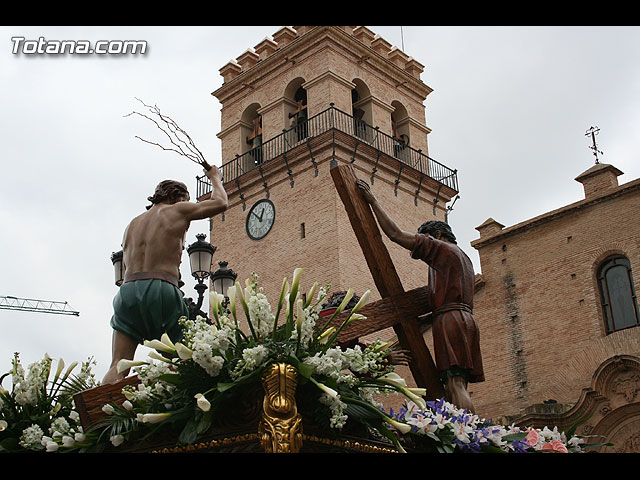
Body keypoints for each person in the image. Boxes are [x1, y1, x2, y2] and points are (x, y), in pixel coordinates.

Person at [357, 179, 484, 412]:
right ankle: (465, 431)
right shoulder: (464, 258)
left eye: (425, 237)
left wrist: (372, 200)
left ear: (436, 234)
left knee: (455, 384)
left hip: (450, 321)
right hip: (465, 320)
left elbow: (395, 234)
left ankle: (466, 436)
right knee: (458, 383)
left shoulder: (443, 249)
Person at [102, 165, 228, 384]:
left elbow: (124, 266)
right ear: (176, 197)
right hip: (161, 288)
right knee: (187, 359)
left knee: (118, 365)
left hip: (127, 292)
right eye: (186, 199)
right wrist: (215, 178)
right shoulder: (177, 210)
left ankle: (102, 414)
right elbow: (221, 203)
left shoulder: (132, 224)